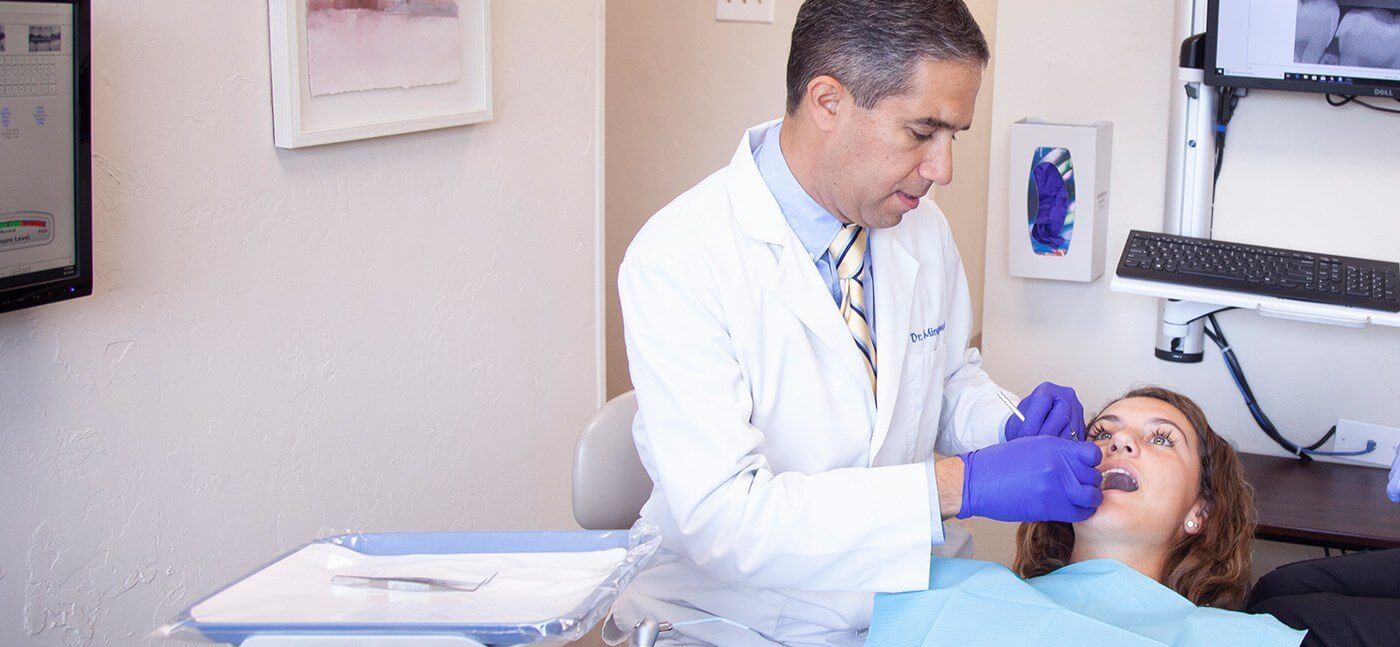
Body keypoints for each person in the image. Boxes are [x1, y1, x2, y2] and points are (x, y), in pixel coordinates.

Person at [609, 1, 1104, 644]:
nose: (943, 170)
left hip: (900, 600)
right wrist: (958, 486)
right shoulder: (679, 259)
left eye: (954, 135)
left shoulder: (917, 227)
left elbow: (945, 380)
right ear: (827, 101)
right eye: (922, 132)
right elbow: (727, 521)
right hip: (734, 619)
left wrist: (1007, 423)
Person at [867, 387, 1306, 646]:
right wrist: (950, 487)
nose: (1121, 443)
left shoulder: (1235, 641)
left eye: (1161, 439)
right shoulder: (940, 588)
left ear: (1200, 512)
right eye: (1102, 432)